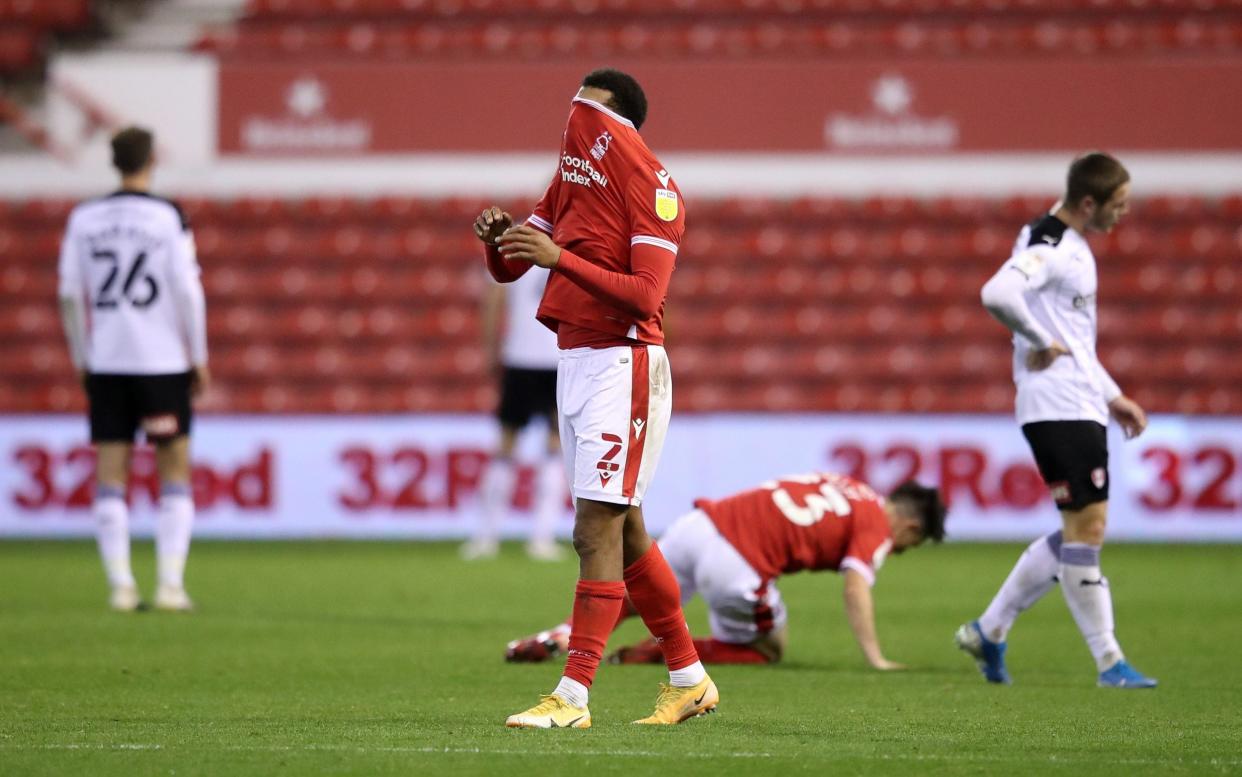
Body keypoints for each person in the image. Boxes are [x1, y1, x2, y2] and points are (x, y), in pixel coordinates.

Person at [473, 68, 717, 728]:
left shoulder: (654, 186)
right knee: (628, 532)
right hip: (574, 360)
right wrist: (501, 244)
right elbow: (514, 264)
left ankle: (573, 696)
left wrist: (561, 259)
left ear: (622, 123)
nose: (575, 116)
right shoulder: (571, 178)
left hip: (625, 363)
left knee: (594, 530)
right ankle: (689, 677)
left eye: (591, 107)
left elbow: (647, 294)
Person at [956, 152, 1156, 689]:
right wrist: (1041, 342)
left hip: (1079, 401)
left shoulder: (1055, 240)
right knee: (1087, 529)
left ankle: (990, 630)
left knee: (1080, 529)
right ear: (1088, 202)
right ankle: (1109, 661)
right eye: (1118, 205)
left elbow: (1074, 335)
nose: (1124, 213)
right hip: (1056, 403)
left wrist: (1112, 394)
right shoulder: (1055, 247)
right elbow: (997, 293)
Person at [505, 473, 946, 668]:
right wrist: (875, 657)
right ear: (910, 526)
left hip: (699, 526)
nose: (904, 551)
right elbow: (855, 587)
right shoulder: (876, 525)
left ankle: (561, 634)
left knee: (633, 596)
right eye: (913, 543)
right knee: (772, 647)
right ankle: (662, 652)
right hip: (737, 562)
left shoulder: (850, 487)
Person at [57, 126, 208, 613]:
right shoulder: (167, 216)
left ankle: (121, 585)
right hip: (160, 360)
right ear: (152, 160)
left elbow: (67, 294)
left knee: (111, 470)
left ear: (113, 161)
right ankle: (169, 585)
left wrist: (82, 358)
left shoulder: (84, 217)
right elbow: (188, 290)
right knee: (174, 467)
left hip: (107, 361)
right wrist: (198, 354)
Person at [461, 268, 566, 562]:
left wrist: (492, 348)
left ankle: (485, 538)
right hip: (560, 355)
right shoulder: (573, 243)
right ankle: (541, 539)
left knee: (507, 443)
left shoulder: (513, 242)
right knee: (555, 444)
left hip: (520, 355)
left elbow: (494, 298)